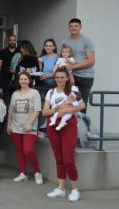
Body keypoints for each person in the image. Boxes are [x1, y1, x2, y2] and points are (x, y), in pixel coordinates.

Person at [43, 67, 85, 202]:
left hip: (68, 125)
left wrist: (66, 110)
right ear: (54, 78)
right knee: (59, 158)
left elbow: (82, 105)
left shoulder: (73, 90)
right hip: (53, 125)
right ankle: (61, 189)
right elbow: (44, 112)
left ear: (67, 78)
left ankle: (75, 189)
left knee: (68, 159)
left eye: (62, 77)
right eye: (57, 77)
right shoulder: (51, 92)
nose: (59, 80)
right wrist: (57, 109)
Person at [7, 72, 43, 184]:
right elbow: (11, 111)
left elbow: (37, 110)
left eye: (25, 79)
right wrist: (8, 124)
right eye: (21, 79)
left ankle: (37, 172)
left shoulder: (34, 93)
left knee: (28, 150)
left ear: (29, 80)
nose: (23, 81)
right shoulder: (15, 94)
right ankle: (23, 173)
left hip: (29, 128)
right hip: (16, 127)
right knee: (19, 151)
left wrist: (29, 123)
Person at [59, 18, 95, 112]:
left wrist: (72, 67)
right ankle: (71, 127)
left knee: (81, 105)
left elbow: (91, 61)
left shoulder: (87, 40)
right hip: (69, 77)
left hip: (85, 77)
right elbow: (60, 58)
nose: (73, 28)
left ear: (80, 27)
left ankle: (81, 126)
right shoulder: (64, 41)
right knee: (68, 104)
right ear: (68, 27)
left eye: (76, 26)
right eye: (71, 26)